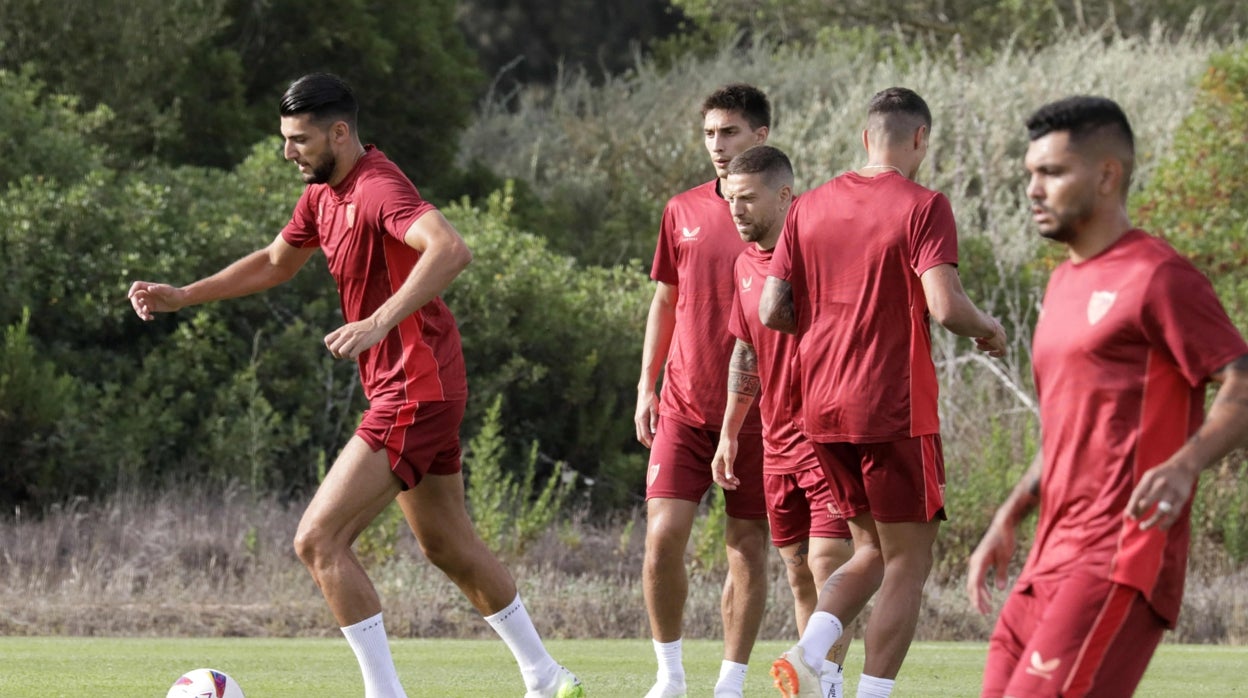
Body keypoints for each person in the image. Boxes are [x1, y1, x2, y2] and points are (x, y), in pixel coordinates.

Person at [127, 73, 583, 698]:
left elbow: (450, 249)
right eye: (286, 140)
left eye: (300, 140)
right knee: (448, 545)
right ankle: (548, 677)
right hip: (423, 387)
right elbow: (273, 262)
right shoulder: (322, 195)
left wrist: (377, 321)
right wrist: (184, 295)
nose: (289, 152)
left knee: (317, 540)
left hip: (413, 389)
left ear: (340, 133)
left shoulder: (377, 188)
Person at [967, 95, 1248, 698]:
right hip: (1047, 558)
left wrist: (1184, 465)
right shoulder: (1063, 283)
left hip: (1120, 555)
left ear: (1106, 175)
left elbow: (1242, 382)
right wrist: (1008, 514)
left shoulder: (1158, 276)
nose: (1034, 190)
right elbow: (1070, 431)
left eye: (1052, 173)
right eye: (1029, 175)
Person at [759, 86, 1007, 698]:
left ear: (865, 135)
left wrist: (827, 332)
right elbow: (945, 307)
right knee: (908, 561)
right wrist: (990, 329)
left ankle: (807, 650)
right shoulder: (924, 205)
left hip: (821, 408)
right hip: (892, 407)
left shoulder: (808, 206)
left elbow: (771, 308)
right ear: (919, 137)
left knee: (868, 549)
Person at [635, 83, 772, 698]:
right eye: (711, 133)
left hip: (759, 417)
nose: (718, 145)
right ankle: (669, 678)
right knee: (662, 540)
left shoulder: (788, 213)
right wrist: (646, 385)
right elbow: (665, 300)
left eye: (732, 132)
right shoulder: (680, 211)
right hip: (684, 409)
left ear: (761, 136)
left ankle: (730, 683)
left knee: (745, 548)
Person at [711, 145, 855, 698]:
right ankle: (815, 685)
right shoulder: (743, 264)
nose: (736, 210)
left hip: (826, 437)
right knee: (797, 573)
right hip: (774, 443)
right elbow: (746, 350)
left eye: (747, 199)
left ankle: (833, 681)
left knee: (826, 564)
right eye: (730, 200)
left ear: (785, 195)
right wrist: (729, 431)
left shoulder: (823, 254)